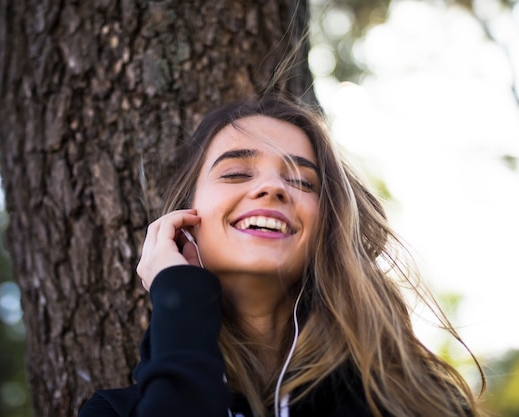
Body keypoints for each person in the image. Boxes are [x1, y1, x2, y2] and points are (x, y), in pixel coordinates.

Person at [79, 95, 485, 417]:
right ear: (184, 222)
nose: (273, 188)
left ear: (326, 227)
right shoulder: (114, 412)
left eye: (301, 182)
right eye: (236, 173)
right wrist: (178, 295)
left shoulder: (410, 399)